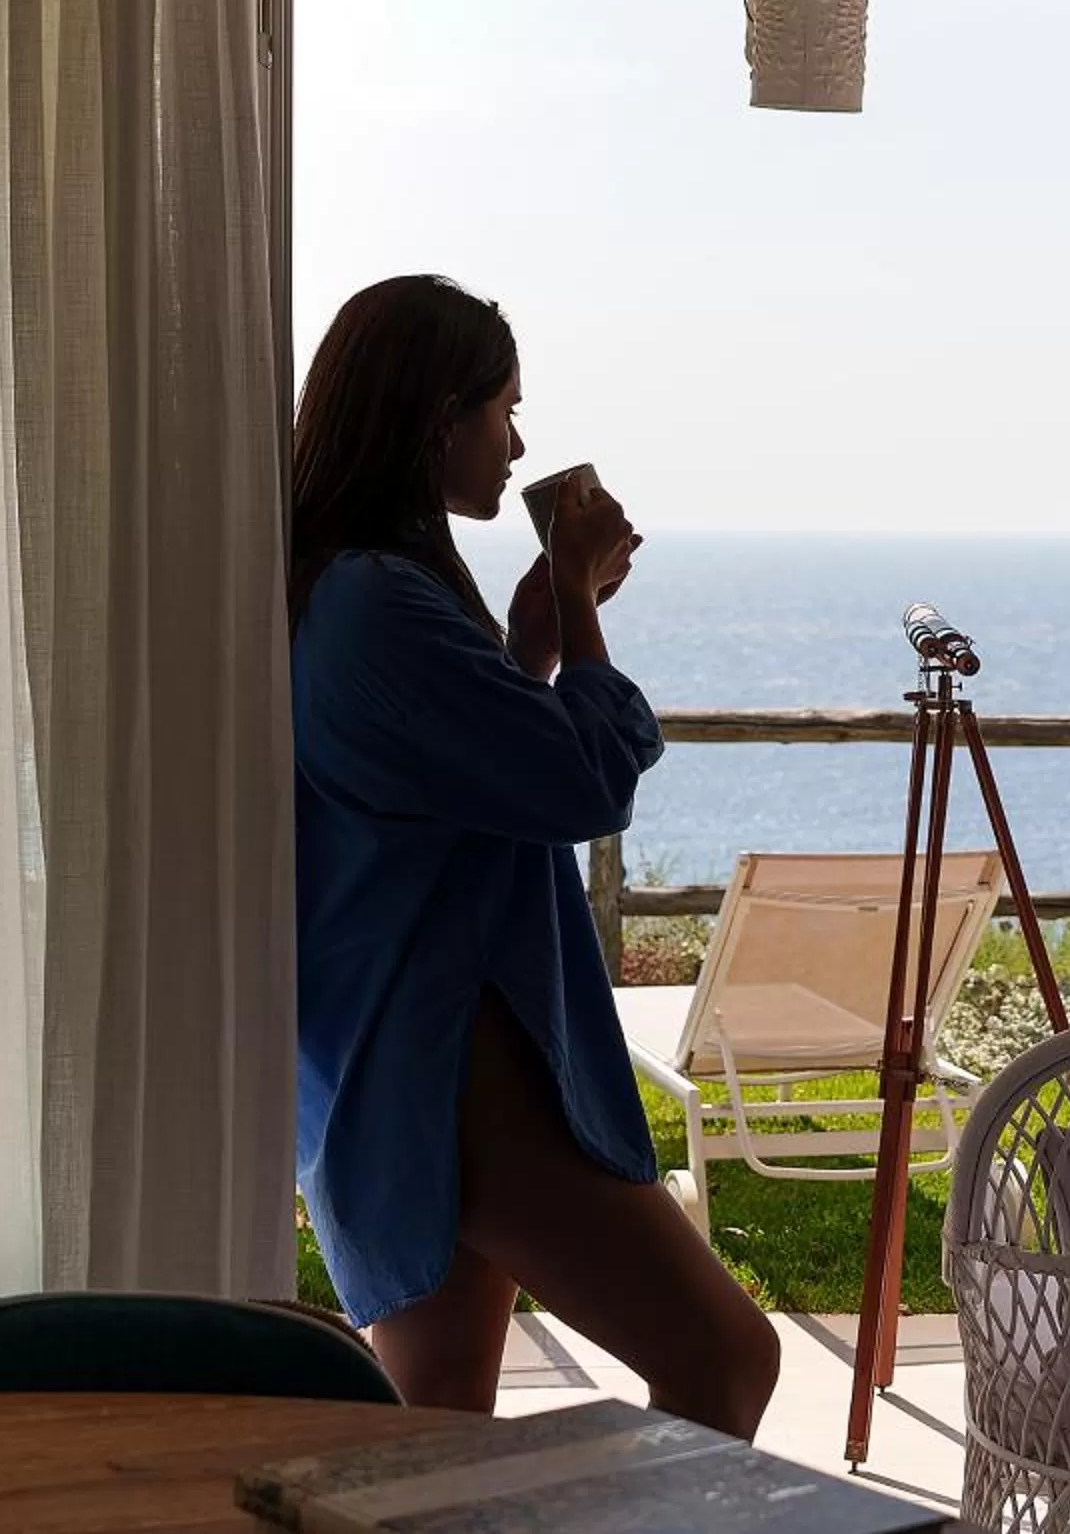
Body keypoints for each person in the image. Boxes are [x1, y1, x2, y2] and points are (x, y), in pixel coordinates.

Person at [288, 274, 781, 1438]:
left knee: (436, 1422)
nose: (517, 444)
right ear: (435, 419)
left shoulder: (350, 589)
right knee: (724, 1356)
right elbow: (579, 781)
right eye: (503, 410)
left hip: (398, 1056)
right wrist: (576, 600)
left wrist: (526, 650)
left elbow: (453, 781)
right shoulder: (376, 602)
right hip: (460, 1055)